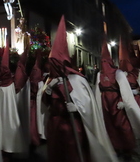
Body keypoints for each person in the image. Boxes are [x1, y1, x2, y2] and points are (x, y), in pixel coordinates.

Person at [43, 15, 117, 162]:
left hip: (71, 124)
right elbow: (45, 104)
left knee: (73, 152)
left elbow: (88, 104)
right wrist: (48, 91)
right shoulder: (51, 80)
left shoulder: (76, 79)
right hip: (55, 124)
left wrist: (77, 107)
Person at [95, 37, 136, 160]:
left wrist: (124, 101)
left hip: (116, 101)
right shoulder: (99, 74)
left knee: (122, 125)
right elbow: (97, 89)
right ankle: (116, 146)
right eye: (102, 62)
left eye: (105, 62)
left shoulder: (118, 73)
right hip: (105, 101)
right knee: (109, 125)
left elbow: (124, 88)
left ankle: (127, 147)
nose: (104, 64)